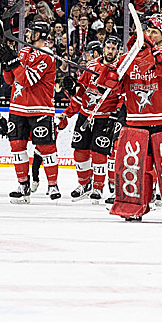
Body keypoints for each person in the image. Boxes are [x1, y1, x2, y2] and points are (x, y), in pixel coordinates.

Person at [109, 14, 162, 223]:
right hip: (137, 121)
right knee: (136, 167)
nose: (149, 35)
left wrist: (152, 55)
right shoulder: (131, 56)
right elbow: (114, 84)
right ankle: (132, 207)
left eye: (154, 32)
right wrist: (107, 77)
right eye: (147, 32)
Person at [0, 20, 60, 203]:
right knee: (17, 148)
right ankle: (23, 185)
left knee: (46, 148)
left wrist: (15, 62)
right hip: (17, 108)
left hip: (40, 108)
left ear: (39, 35)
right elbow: (11, 81)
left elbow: (27, 79)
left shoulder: (47, 56)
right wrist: (7, 63)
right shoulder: (24, 50)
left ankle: (53, 184)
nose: (27, 34)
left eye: (31, 31)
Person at [58, 37, 123, 203]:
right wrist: (68, 110)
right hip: (85, 114)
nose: (110, 51)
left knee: (99, 153)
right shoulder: (92, 66)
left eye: (113, 48)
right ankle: (84, 184)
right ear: (103, 48)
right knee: (79, 151)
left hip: (105, 118)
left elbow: (123, 96)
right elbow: (81, 94)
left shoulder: (121, 69)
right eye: (108, 48)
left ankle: (98, 188)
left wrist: (117, 114)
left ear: (119, 51)